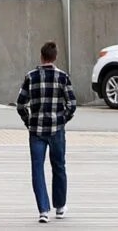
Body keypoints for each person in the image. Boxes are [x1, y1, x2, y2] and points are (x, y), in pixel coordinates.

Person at [14, 39, 75, 221]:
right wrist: (62, 120)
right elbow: (72, 104)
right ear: (55, 57)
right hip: (57, 129)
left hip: (36, 131)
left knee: (37, 169)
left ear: (41, 56)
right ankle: (60, 206)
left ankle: (43, 210)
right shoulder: (63, 77)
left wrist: (29, 122)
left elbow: (20, 104)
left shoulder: (31, 76)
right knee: (59, 166)